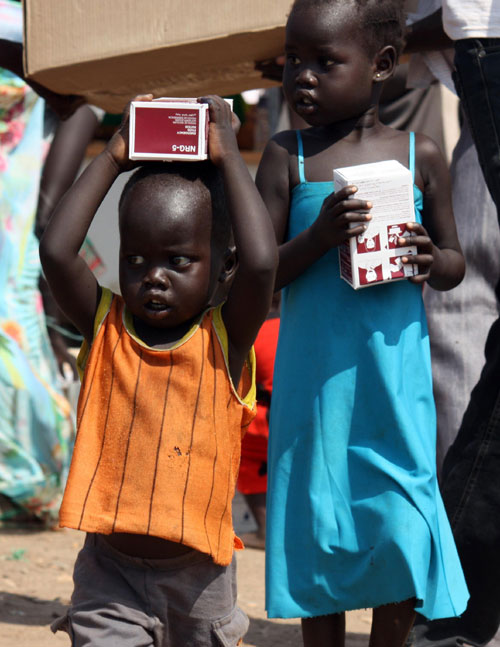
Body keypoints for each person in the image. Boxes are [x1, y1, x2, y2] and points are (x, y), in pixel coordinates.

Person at [255, 1, 468, 646]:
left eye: (325, 62)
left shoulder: (419, 153)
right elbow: (260, 279)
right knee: (323, 523)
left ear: (380, 65)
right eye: (294, 60)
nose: (303, 78)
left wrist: (432, 259)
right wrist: (318, 237)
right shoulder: (285, 157)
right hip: (317, 386)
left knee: (400, 522)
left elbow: (456, 262)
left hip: (392, 380)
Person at [39, 93, 277, 646]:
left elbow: (263, 261)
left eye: (180, 260)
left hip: (200, 586)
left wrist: (227, 157)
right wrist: (116, 154)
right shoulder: (106, 327)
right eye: (136, 259)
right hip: (109, 575)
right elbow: (56, 251)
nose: (154, 277)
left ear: (224, 268)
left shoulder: (226, 339)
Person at [405, 3, 500, 646]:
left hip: (484, 45)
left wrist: (372, 39)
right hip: (474, 62)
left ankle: (462, 603)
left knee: (463, 316)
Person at [0, 0, 96, 527]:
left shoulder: (49, 18)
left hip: (12, 210)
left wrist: (51, 204)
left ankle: (25, 477)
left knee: (10, 321)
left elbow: (83, 103)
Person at [237, 292, 280, 549]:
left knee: (246, 462)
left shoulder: (250, 333)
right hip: (294, 422)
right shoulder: (295, 329)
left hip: (259, 424)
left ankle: (264, 530)